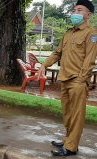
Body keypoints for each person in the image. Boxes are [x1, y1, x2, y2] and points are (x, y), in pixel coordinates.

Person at [37, 0, 97, 156]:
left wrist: (82, 79)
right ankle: (70, 140)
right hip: (65, 78)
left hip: (78, 80)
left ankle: (71, 147)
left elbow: (90, 59)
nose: (75, 13)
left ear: (88, 15)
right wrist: (44, 65)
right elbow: (57, 53)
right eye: (74, 10)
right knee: (67, 113)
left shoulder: (92, 34)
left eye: (80, 10)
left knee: (77, 115)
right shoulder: (68, 33)